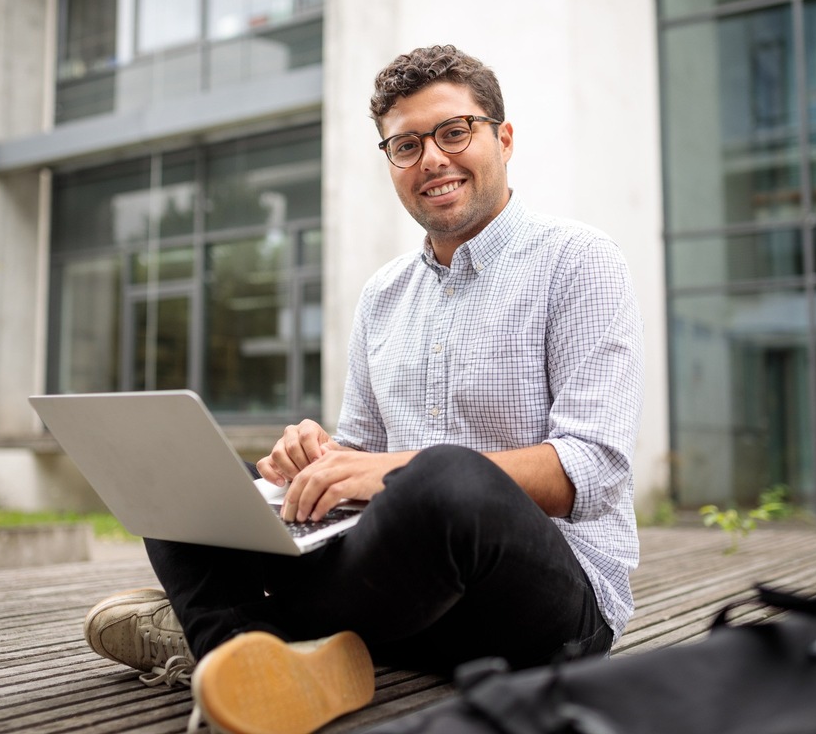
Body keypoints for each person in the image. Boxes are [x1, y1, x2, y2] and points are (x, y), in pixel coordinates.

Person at [83, 44, 646, 734]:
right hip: (403, 608)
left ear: (503, 137)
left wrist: (390, 471)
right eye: (406, 145)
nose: (431, 159)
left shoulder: (580, 262)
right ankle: (261, 666)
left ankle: (220, 633)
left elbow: (594, 469)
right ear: (391, 163)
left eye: (453, 132)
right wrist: (318, 459)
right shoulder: (383, 296)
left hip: (549, 619)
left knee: (445, 478)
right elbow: (363, 458)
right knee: (179, 477)